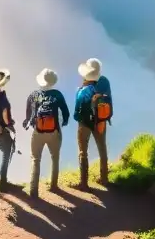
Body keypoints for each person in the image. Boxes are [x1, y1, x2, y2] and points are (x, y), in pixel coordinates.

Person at [22, 68, 70, 198]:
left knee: (35, 159)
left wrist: (29, 124)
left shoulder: (33, 95)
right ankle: (53, 186)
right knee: (55, 158)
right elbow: (66, 113)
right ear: (52, 81)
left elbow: (27, 116)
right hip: (54, 131)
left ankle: (33, 190)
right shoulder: (57, 94)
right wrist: (62, 123)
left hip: (38, 132)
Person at [73, 57, 113, 189]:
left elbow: (78, 107)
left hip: (84, 122)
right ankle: (104, 179)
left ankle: (84, 183)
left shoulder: (85, 86)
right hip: (100, 121)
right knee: (102, 148)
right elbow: (108, 100)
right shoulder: (104, 81)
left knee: (83, 151)